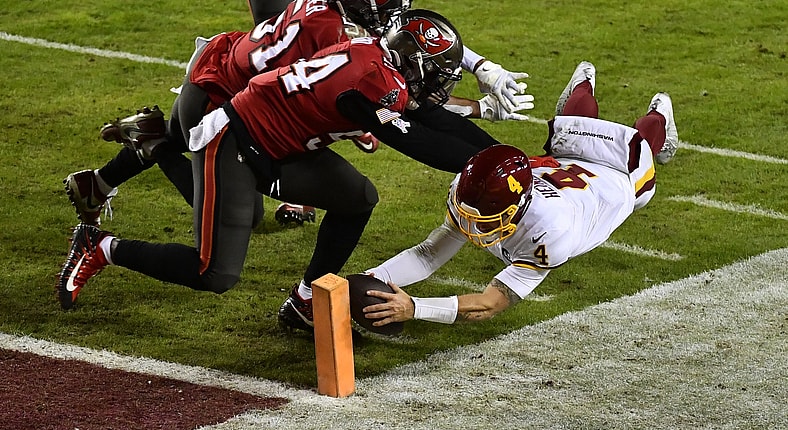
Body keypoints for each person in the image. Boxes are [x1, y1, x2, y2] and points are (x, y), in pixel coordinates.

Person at [54, 10, 516, 331]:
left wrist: (510, 157)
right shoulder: (371, 80)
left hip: (284, 143)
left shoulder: (378, 63)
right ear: (412, 65)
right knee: (215, 272)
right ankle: (101, 245)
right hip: (236, 139)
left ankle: (305, 301)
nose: (441, 87)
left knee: (357, 198)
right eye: (438, 75)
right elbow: (417, 141)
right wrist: (486, 163)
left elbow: (432, 119)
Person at [64, 0, 531, 227]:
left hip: (233, 71)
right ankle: (151, 143)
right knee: (240, 213)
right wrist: (479, 108)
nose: (394, 19)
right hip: (224, 96)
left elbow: (408, 46)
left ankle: (98, 182)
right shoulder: (344, 37)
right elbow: (402, 96)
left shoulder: (335, 18)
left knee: (192, 133)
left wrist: (479, 66)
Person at [359, 60, 679, 327]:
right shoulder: (469, 191)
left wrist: (415, 307)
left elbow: (489, 304)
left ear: (519, 207)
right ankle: (583, 84)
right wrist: (369, 277)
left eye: (487, 217)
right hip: (564, 165)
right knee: (572, 127)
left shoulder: (552, 231)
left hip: (618, 179)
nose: (474, 225)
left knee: (643, 143)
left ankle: (661, 114)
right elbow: (429, 253)